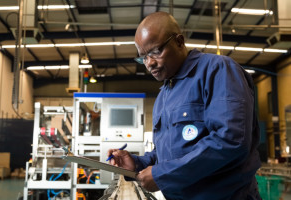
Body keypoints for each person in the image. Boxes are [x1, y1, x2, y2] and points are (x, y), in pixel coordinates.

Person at [107, 11, 261, 200]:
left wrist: (163, 175)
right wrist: (138, 163)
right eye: (143, 57)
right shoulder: (164, 94)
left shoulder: (217, 71)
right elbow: (168, 152)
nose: (150, 63)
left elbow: (230, 140)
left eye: (156, 51)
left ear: (179, 41)